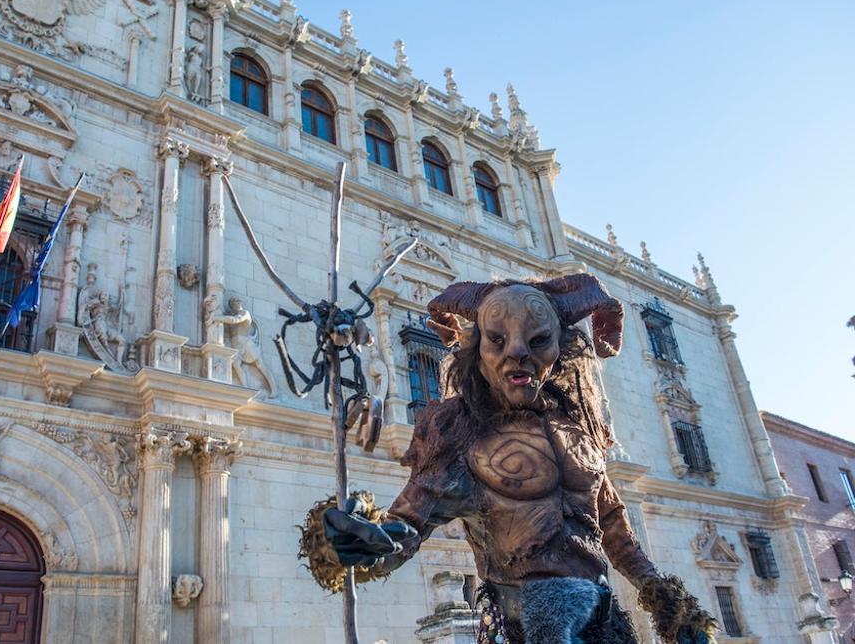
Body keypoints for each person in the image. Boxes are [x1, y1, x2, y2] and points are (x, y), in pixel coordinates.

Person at [301, 274, 718, 644]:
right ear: (477, 348)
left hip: (603, 625)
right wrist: (355, 540)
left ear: (560, 346)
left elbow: (613, 529)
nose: (517, 352)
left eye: (537, 340)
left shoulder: (577, 432)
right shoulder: (461, 433)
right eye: (498, 340)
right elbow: (408, 525)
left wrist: (671, 607)